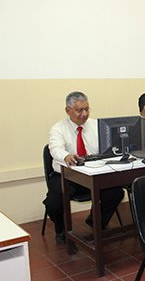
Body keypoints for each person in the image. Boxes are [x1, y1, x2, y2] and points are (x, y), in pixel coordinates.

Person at [47, 92, 124, 243]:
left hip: (92, 174)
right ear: (68, 110)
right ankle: (61, 231)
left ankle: (96, 221)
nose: (84, 114)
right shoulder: (58, 128)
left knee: (115, 193)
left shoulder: (96, 125)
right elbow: (55, 149)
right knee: (54, 202)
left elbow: (108, 147)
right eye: (79, 110)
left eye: (87, 109)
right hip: (67, 176)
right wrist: (66, 156)